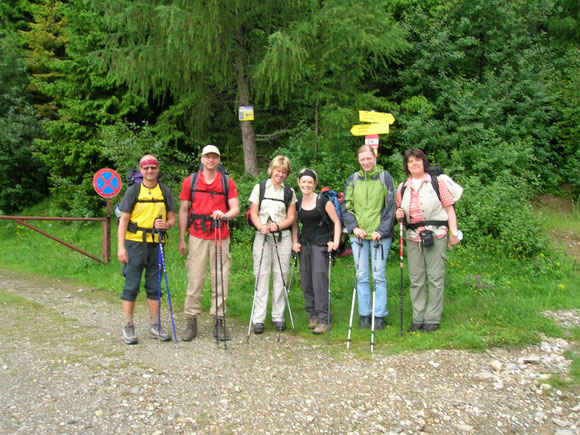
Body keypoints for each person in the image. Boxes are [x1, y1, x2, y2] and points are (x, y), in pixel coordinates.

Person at [178, 145, 240, 341]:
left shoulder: (227, 182)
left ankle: (219, 321)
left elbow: (235, 209)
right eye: (208, 157)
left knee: (220, 278)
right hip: (197, 235)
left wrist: (225, 215)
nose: (211, 160)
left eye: (215, 157)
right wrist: (181, 238)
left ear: (219, 160)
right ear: (202, 159)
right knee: (195, 278)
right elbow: (183, 210)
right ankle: (191, 320)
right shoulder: (191, 181)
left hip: (220, 235)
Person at [395, 148, 460, 333]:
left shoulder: (437, 182)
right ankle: (418, 318)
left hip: (436, 234)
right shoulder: (402, 187)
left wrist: (453, 233)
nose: (414, 164)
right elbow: (401, 213)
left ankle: (432, 318)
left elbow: (449, 210)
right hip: (413, 237)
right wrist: (398, 214)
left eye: (417, 160)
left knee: (435, 278)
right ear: (406, 165)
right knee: (416, 279)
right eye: (410, 161)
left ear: (424, 162)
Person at [117, 154, 176, 345]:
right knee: (131, 285)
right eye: (146, 168)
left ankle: (155, 324)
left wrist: (166, 225)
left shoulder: (164, 191)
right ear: (140, 170)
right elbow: (123, 221)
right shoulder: (133, 191)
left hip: (156, 243)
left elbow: (172, 219)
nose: (150, 170)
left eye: (153, 167)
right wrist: (121, 247)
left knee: (154, 285)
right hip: (134, 244)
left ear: (158, 169)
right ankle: (128, 326)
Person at [342, 145, 395, 330]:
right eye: (362, 159)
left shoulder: (385, 178)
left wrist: (381, 230)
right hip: (359, 236)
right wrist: (354, 227)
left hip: (380, 236)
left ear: (375, 157)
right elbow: (346, 206)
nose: (366, 162)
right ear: (358, 160)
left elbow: (390, 207)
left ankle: (379, 315)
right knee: (362, 275)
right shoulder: (353, 179)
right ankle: (364, 315)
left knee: (379, 276)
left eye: (368, 158)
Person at [248, 155, 297, 334]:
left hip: (282, 238)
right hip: (262, 237)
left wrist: (278, 225)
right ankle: (258, 319)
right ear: (272, 169)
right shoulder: (260, 188)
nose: (280, 174)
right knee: (261, 275)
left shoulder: (289, 192)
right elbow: (254, 212)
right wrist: (261, 226)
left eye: (284, 172)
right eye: (278, 171)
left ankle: (278, 316)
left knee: (280, 276)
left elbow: (291, 217)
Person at [291, 168, 341, 335]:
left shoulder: (323, 201)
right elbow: (294, 224)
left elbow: (336, 222)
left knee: (319, 282)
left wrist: (335, 242)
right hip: (304, 244)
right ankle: (312, 315)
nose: (306, 184)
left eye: (310, 182)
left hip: (320, 245)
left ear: (314, 184)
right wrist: (294, 242)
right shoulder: (297, 204)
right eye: (303, 181)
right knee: (306, 281)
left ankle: (325, 318)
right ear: (299, 183)